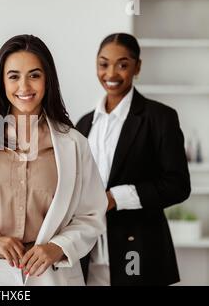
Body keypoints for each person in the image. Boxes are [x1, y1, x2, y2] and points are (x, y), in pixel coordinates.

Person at [0, 34, 107, 286]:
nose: (24, 87)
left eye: (34, 75)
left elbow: (92, 213)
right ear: (1, 82)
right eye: (13, 76)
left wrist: (58, 247)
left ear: (48, 80)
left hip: (49, 274)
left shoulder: (74, 143)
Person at [76, 33, 191, 286]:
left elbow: (178, 184)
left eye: (123, 64)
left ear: (137, 67)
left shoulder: (160, 118)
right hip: (89, 252)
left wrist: (115, 197)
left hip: (138, 250)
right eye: (104, 64)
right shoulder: (84, 124)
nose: (111, 73)